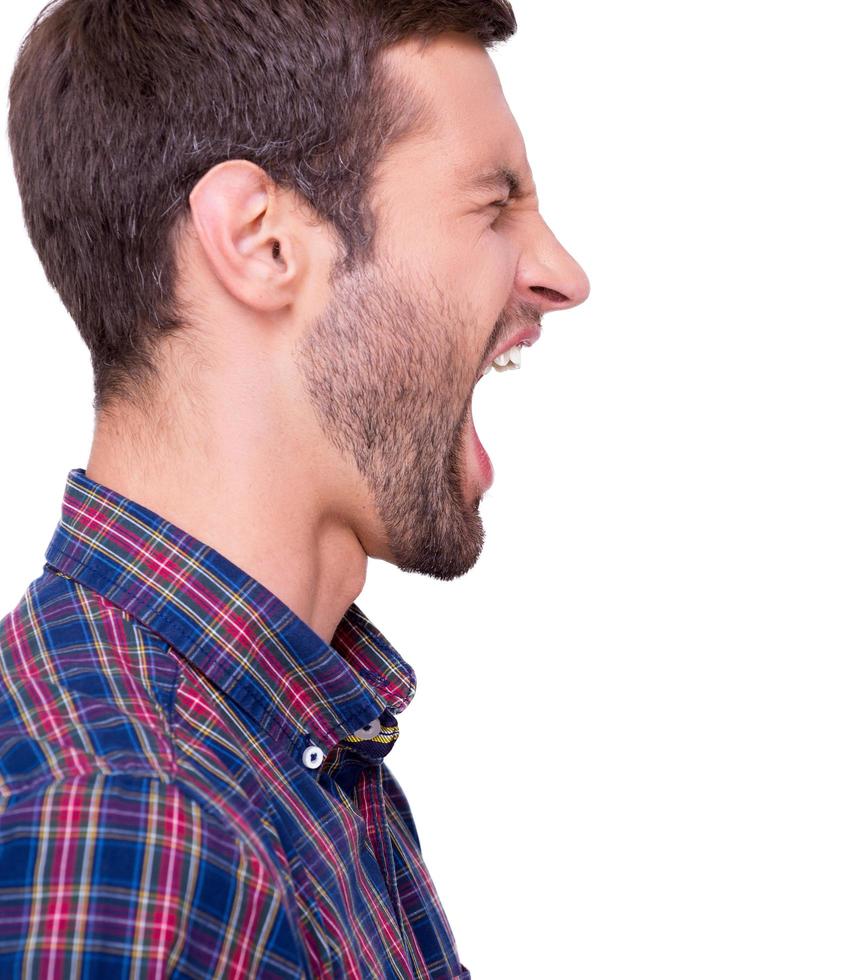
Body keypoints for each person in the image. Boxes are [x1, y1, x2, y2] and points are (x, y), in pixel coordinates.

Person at [0, 0, 589, 975]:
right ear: (261, 242)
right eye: (493, 204)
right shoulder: (128, 818)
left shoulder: (285, 751)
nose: (562, 275)